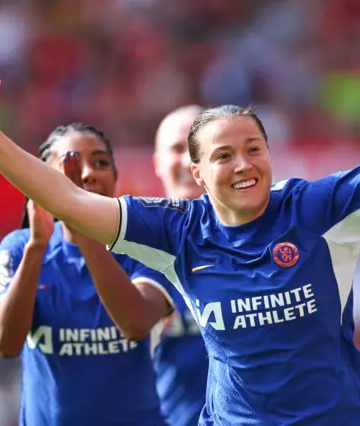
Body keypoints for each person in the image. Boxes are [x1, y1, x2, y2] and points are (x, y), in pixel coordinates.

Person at [0, 2, 360, 424]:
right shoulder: (177, 232)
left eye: (254, 148)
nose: (243, 164)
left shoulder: (315, 208)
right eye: (223, 155)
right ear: (197, 174)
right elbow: (73, 203)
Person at [0, 124, 174, 426]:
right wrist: (36, 248)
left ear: (115, 175)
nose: (86, 174)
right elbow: (6, 344)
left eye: (100, 162)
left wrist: (78, 220)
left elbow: (135, 323)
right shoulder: (20, 248)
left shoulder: (144, 245)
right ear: (41, 180)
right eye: (68, 164)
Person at [152, 105, 208, 426]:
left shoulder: (260, 245)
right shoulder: (130, 251)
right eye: (176, 149)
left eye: (196, 148)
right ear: (157, 163)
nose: (188, 160)